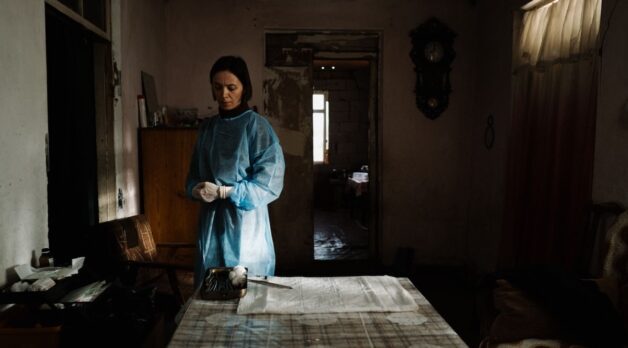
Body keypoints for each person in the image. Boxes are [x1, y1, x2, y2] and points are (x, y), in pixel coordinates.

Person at [186, 55, 285, 287]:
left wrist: (225, 192)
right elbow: (192, 177)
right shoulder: (208, 128)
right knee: (211, 291)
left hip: (246, 225)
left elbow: (268, 184)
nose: (224, 95)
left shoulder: (257, 127)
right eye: (218, 88)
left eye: (232, 88)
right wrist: (195, 190)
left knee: (245, 291)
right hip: (211, 225)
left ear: (244, 89)